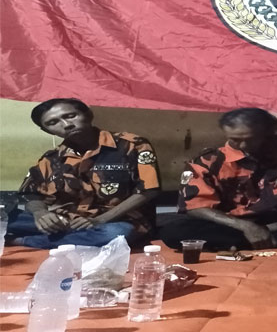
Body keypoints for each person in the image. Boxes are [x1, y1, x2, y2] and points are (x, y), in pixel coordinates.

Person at [159, 108, 277, 251]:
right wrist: (246, 227)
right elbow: (195, 207)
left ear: (267, 133)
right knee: (174, 232)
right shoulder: (208, 161)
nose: (243, 145)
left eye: (250, 139)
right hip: (236, 223)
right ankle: (264, 235)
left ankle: (254, 240)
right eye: (235, 139)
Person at [7, 98, 161, 248]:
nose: (66, 125)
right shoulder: (51, 158)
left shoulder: (132, 145)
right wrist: (40, 213)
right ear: (47, 130)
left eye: (71, 116)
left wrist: (100, 220)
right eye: (53, 123)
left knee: (116, 233)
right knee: (4, 217)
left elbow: (148, 190)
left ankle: (23, 240)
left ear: (88, 115)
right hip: (66, 221)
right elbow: (32, 194)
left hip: (117, 221)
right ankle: (70, 236)